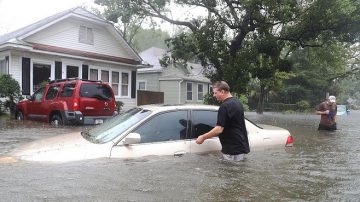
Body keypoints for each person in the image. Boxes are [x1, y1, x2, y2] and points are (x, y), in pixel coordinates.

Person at [196, 81, 250, 161]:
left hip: (231, 149)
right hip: (240, 146)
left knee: (230, 171)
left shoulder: (224, 106)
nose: (214, 95)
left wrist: (203, 137)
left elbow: (219, 129)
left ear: (222, 91)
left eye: (215, 93)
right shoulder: (238, 103)